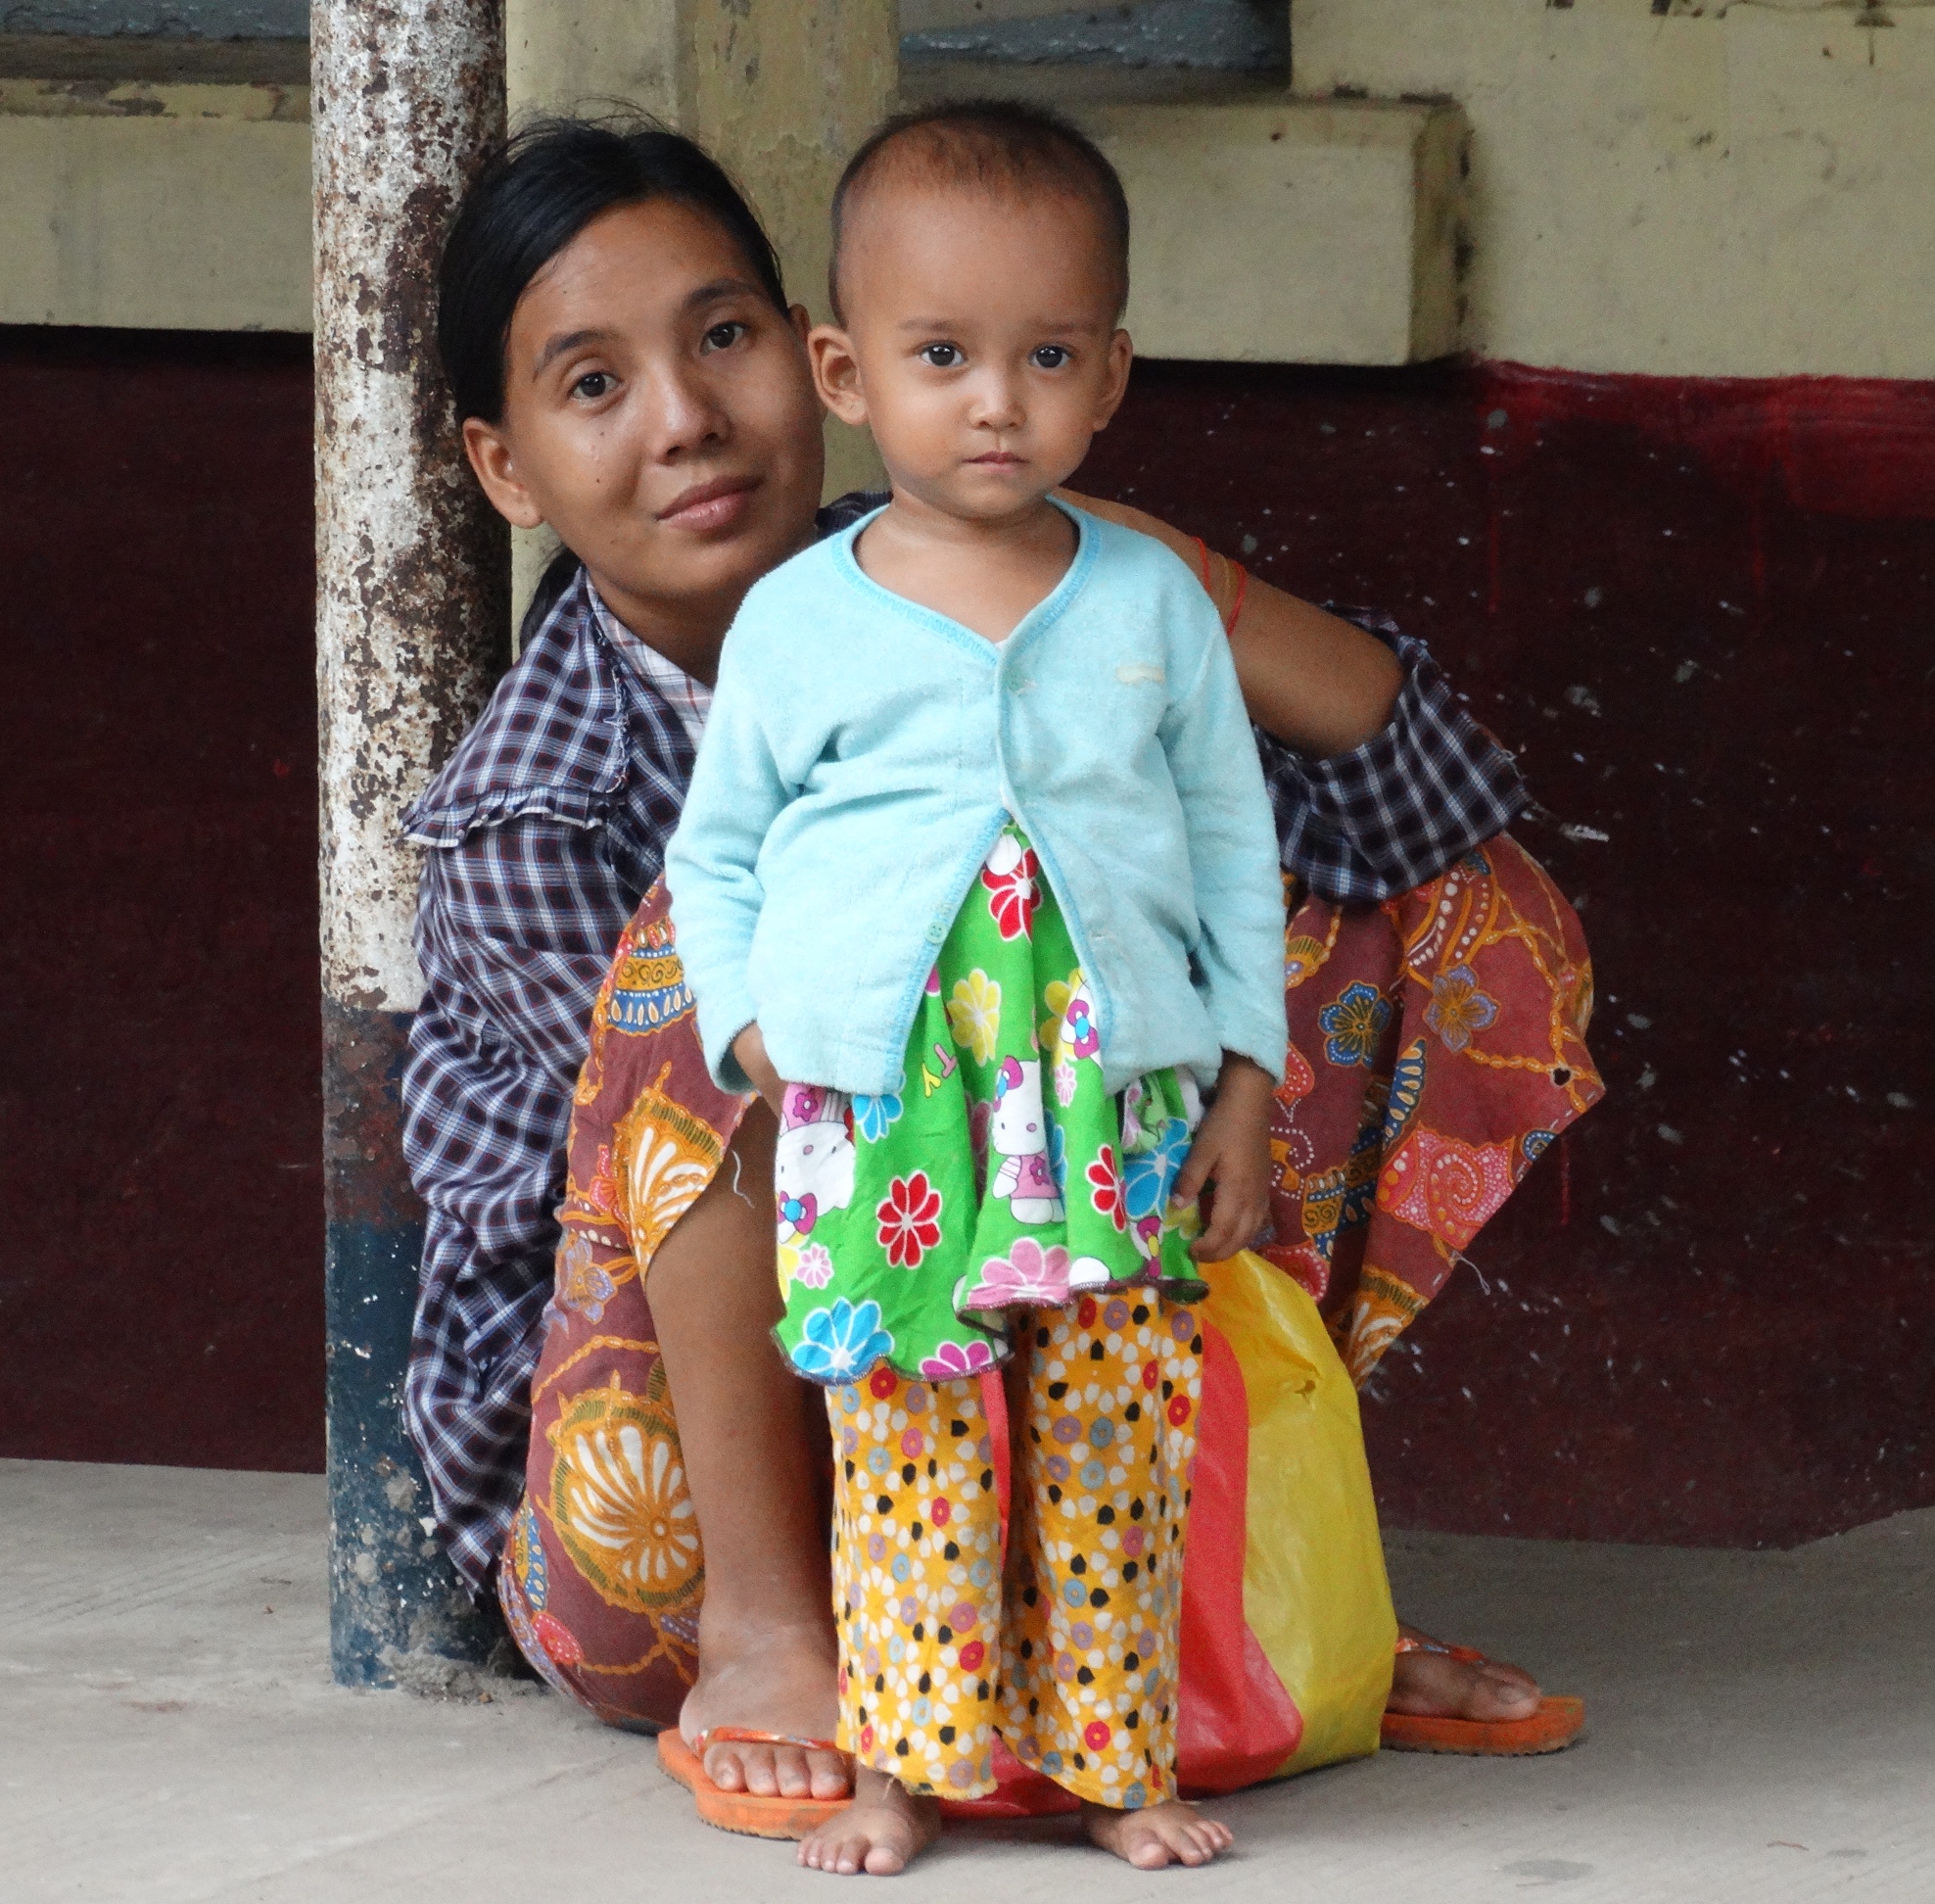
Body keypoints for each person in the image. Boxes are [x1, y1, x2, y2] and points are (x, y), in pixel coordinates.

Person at [400, 111, 1595, 1834]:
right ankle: (777, 1635)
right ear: (506, 468)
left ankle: (1227, 1582)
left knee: (1416, 920)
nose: (684, 418)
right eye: (592, 385)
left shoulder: (1019, 568)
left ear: (816, 359)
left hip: (1052, 1354)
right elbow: (801, 1134)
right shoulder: (534, 804)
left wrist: (1151, 579)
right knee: (722, 961)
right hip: (667, 1490)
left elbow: (1429, 805)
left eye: (720, 337)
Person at [659, 100, 1286, 1872]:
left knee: (1112, 1441)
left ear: (1112, 376)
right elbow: (717, 853)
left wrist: (1246, 1079)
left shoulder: (1151, 602)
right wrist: (751, 1030)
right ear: (846, 372)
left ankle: (1115, 1766)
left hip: (1112, 1096)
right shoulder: (797, 620)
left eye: (1047, 356)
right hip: (887, 1106)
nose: (994, 400)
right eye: (941, 355)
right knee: (904, 1439)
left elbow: (1232, 849)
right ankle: (900, 1768)